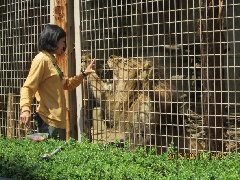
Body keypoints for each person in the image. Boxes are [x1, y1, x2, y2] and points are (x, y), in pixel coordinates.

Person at [20, 24, 95, 140]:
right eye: (62, 41)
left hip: (57, 121)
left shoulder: (51, 60)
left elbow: (67, 84)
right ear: (54, 40)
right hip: (48, 121)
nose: (64, 45)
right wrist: (25, 108)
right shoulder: (41, 60)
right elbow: (28, 87)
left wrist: (84, 74)